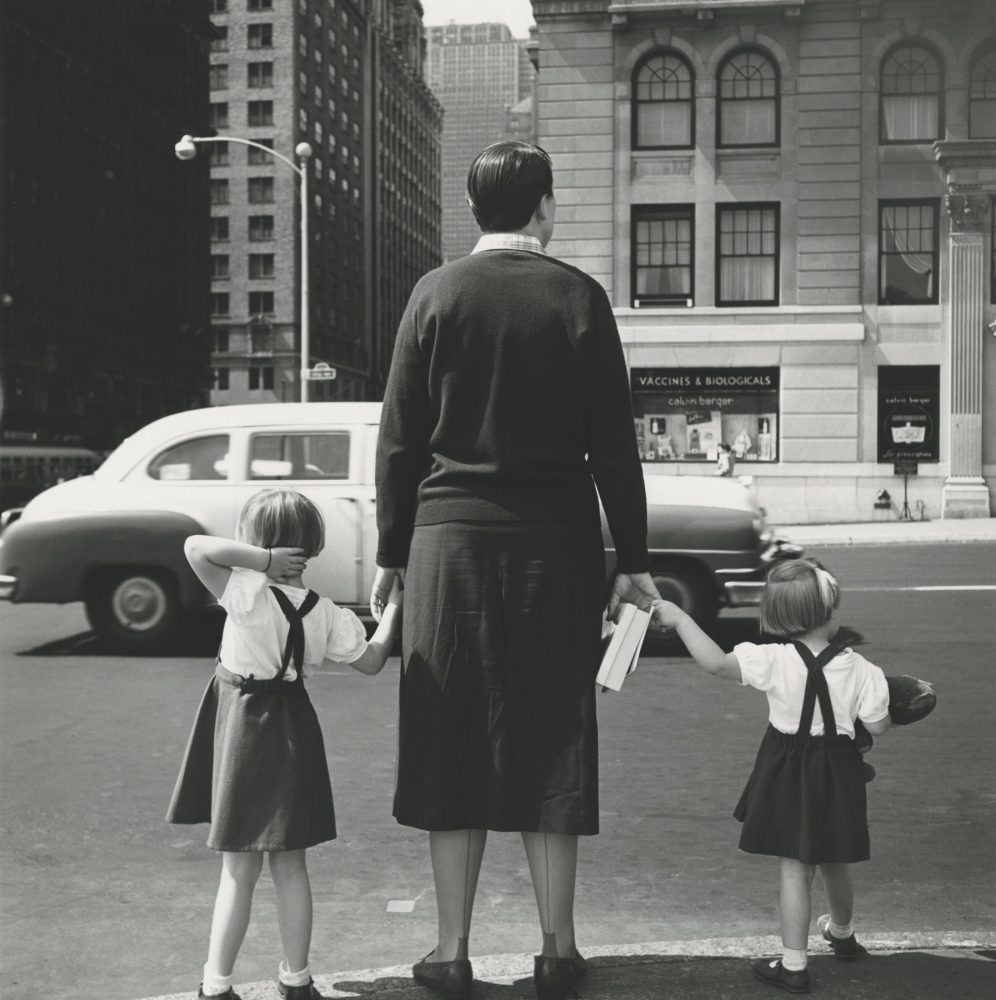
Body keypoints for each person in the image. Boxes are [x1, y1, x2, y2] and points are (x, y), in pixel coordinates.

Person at [371, 140, 661, 1000]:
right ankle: (557, 950)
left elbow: (397, 443)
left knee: (448, 734)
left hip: (446, 546)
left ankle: (451, 951)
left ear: (473, 211)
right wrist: (633, 562)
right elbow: (615, 444)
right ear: (543, 207)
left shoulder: (435, 294)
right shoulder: (578, 298)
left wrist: (391, 556)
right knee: (552, 737)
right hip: (556, 546)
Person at [166, 488, 403, 1000]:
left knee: (239, 868)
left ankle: (216, 984)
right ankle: (296, 981)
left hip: (244, 726)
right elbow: (371, 661)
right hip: (294, 725)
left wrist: (262, 561)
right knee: (292, 866)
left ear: (256, 544)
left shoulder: (244, 591)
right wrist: (393, 610)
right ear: (312, 545)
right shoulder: (326, 613)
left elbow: (193, 546)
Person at [651, 559, 890, 995]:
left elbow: (718, 664)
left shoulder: (773, 659)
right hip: (839, 771)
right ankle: (843, 933)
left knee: (795, 870)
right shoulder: (863, 669)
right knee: (836, 857)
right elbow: (877, 726)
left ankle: (795, 964)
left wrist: (682, 618)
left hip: (788, 768)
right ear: (830, 608)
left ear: (779, 617)